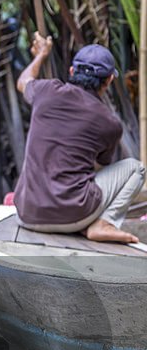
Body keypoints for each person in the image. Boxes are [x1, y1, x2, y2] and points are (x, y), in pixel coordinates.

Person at [14, 34, 146, 243]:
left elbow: (23, 81)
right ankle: (104, 223)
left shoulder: (45, 90)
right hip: (73, 217)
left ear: (72, 71)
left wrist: (41, 55)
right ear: (110, 79)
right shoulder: (109, 123)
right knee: (136, 168)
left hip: (26, 214)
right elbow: (99, 166)